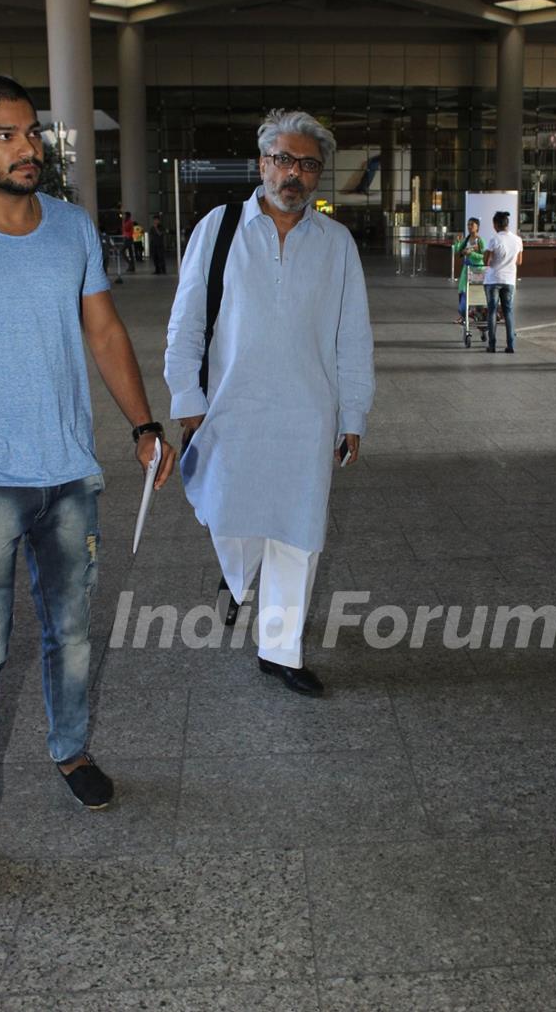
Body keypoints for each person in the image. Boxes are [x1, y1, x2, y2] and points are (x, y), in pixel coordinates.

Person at [0, 76, 175, 808]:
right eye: (4, 136)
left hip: (68, 474)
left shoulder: (69, 227)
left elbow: (102, 331)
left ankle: (70, 751)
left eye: (30, 132)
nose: (25, 147)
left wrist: (142, 424)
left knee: (70, 634)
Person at [165, 108, 375, 697]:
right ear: (262, 164)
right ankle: (237, 579)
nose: (294, 174)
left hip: (308, 416)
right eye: (284, 160)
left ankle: (280, 651)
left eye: (308, 165)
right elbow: (187, 322)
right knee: (231, 520)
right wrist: (188, 397)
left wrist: (352, 414)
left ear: (318, 175)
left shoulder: (336, 244)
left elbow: (352, 336)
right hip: (230, 411)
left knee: (299, 532)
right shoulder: (220, 227)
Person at [483, 211, 523, 354]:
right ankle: (511, 345)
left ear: (496, 224)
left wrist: (489, 256)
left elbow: (486, 261)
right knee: (508, 312)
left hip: (493, 279)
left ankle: (492, 345)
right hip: (509, 281)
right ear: (507, 224)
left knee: (492, 311)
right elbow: (519, 261)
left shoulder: (493, 239)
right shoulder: (518, 240)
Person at [453, 217, 484, 324]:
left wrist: (471, 253)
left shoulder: (479, 240)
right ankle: (463, 315)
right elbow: (458, 251)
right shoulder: (466, 239)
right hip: (466, 269)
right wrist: (457, 243)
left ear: (477, 227)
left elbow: (482, 256)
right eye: (468, 224)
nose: (469, 227)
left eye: (472, 225)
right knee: (461, 290)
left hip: (477, 269)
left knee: (475, 292)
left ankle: (477, 313)